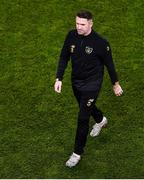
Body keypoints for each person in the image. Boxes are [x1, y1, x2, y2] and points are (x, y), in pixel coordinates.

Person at [54, 10, 123, 168]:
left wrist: (115, 84)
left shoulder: (101, 43)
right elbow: (64, 56)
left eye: (82, 24)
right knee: (85, 106)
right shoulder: (71, 35)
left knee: (83, 117)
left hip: (92, 83)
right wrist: (59, 78)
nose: (79, 27)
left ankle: (77, 153)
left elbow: (110, 65)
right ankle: (100, 120)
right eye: (77, 23)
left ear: (91, 24)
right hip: (76, 81)